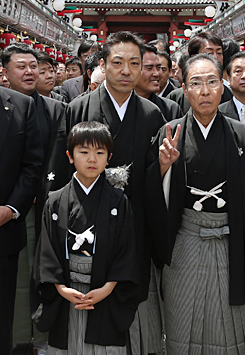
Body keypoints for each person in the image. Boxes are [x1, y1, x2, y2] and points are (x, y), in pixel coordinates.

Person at [144, 53, 245, 354]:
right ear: (184, 89)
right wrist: (163, 167)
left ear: (223, 86)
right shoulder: (170, 133)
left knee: (233, 321)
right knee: (182, 315)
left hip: (232, 240)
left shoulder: (240, 134)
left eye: (212, 82)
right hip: (185, 239)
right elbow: (150, 194)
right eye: (196, 83)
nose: (205, 91)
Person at [65, 31, 166, 355]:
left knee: (136, 310)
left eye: (133, 63)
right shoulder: (79, 109)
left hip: (135, 227)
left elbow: (155, 181)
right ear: (102, 65)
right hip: (86, 227)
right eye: (118, 62)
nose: (126, 70)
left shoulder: (152, 114)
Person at [31, 121, 140, 355]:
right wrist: (60, 288)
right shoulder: (55, 201)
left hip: (105, 290)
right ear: (70, 156)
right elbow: (46, 252)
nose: (92, 159)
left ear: (109, 158)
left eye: (100, 153)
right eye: (84, 152)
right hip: (66, 291)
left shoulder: (118, 201)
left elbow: (127, 251)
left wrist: (108, 288)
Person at [2, 43, 67, 354]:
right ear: (5, 72)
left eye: (35, 67)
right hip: (13, 207)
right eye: (22, 67)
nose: (30, 72)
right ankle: (17, 338)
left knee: (41, 270)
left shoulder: (56, 110)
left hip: (43, 203)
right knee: (16, 276)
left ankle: (41, 336)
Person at [0, 85, 43, 355]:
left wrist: (11, 208)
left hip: (4, 230)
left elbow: (32, 165)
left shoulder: (21, 105)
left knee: (3, 314)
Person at [168, 32, 233, 113]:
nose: (216, 57)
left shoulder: (230, 94)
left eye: (219, 53)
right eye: (209, 53)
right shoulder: (176, 97)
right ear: (193, 57)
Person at [135, 46, 182, 125]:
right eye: (149, 68)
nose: (157, 73)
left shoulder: (170, 109)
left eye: (159, 68)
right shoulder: (122, 106)